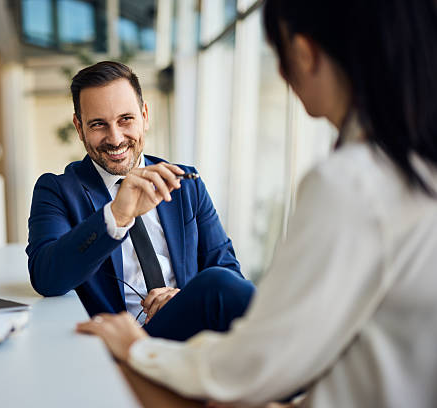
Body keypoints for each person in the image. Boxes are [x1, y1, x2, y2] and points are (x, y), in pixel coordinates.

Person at [77, 0, 437, 406]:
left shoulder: (350, 181)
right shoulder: (413, 167)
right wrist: (118, 216)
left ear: (304, 53)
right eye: (98, 123)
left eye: (277, 53)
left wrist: (138, 348)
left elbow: (255, 358)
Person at [27, 61, 255, 341]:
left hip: (191, 334)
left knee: (220, 282)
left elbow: (229, 272)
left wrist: (183, 298)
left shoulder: (185, 182)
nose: (115, 138)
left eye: (126, 119)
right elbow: (47, 278)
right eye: (98, 124)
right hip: (122, 344)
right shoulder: (57, 190)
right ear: (79, 126)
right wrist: (116, 216)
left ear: (145, 115)